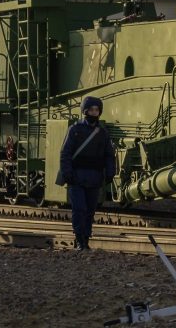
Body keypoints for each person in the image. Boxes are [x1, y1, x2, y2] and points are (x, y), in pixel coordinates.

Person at [57, 95, 116, 250]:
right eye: (91, 110)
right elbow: (65, 153)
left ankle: (86, 238)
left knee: (90, 211)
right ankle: (79, 239)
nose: (94, 113)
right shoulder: (75, 130)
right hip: (77, 178)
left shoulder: (102, 133)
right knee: (79, 209)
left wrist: (110, 172)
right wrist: (67, 173)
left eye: (96, 110)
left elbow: (109, 155)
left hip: (94, 178)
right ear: (85, 111)